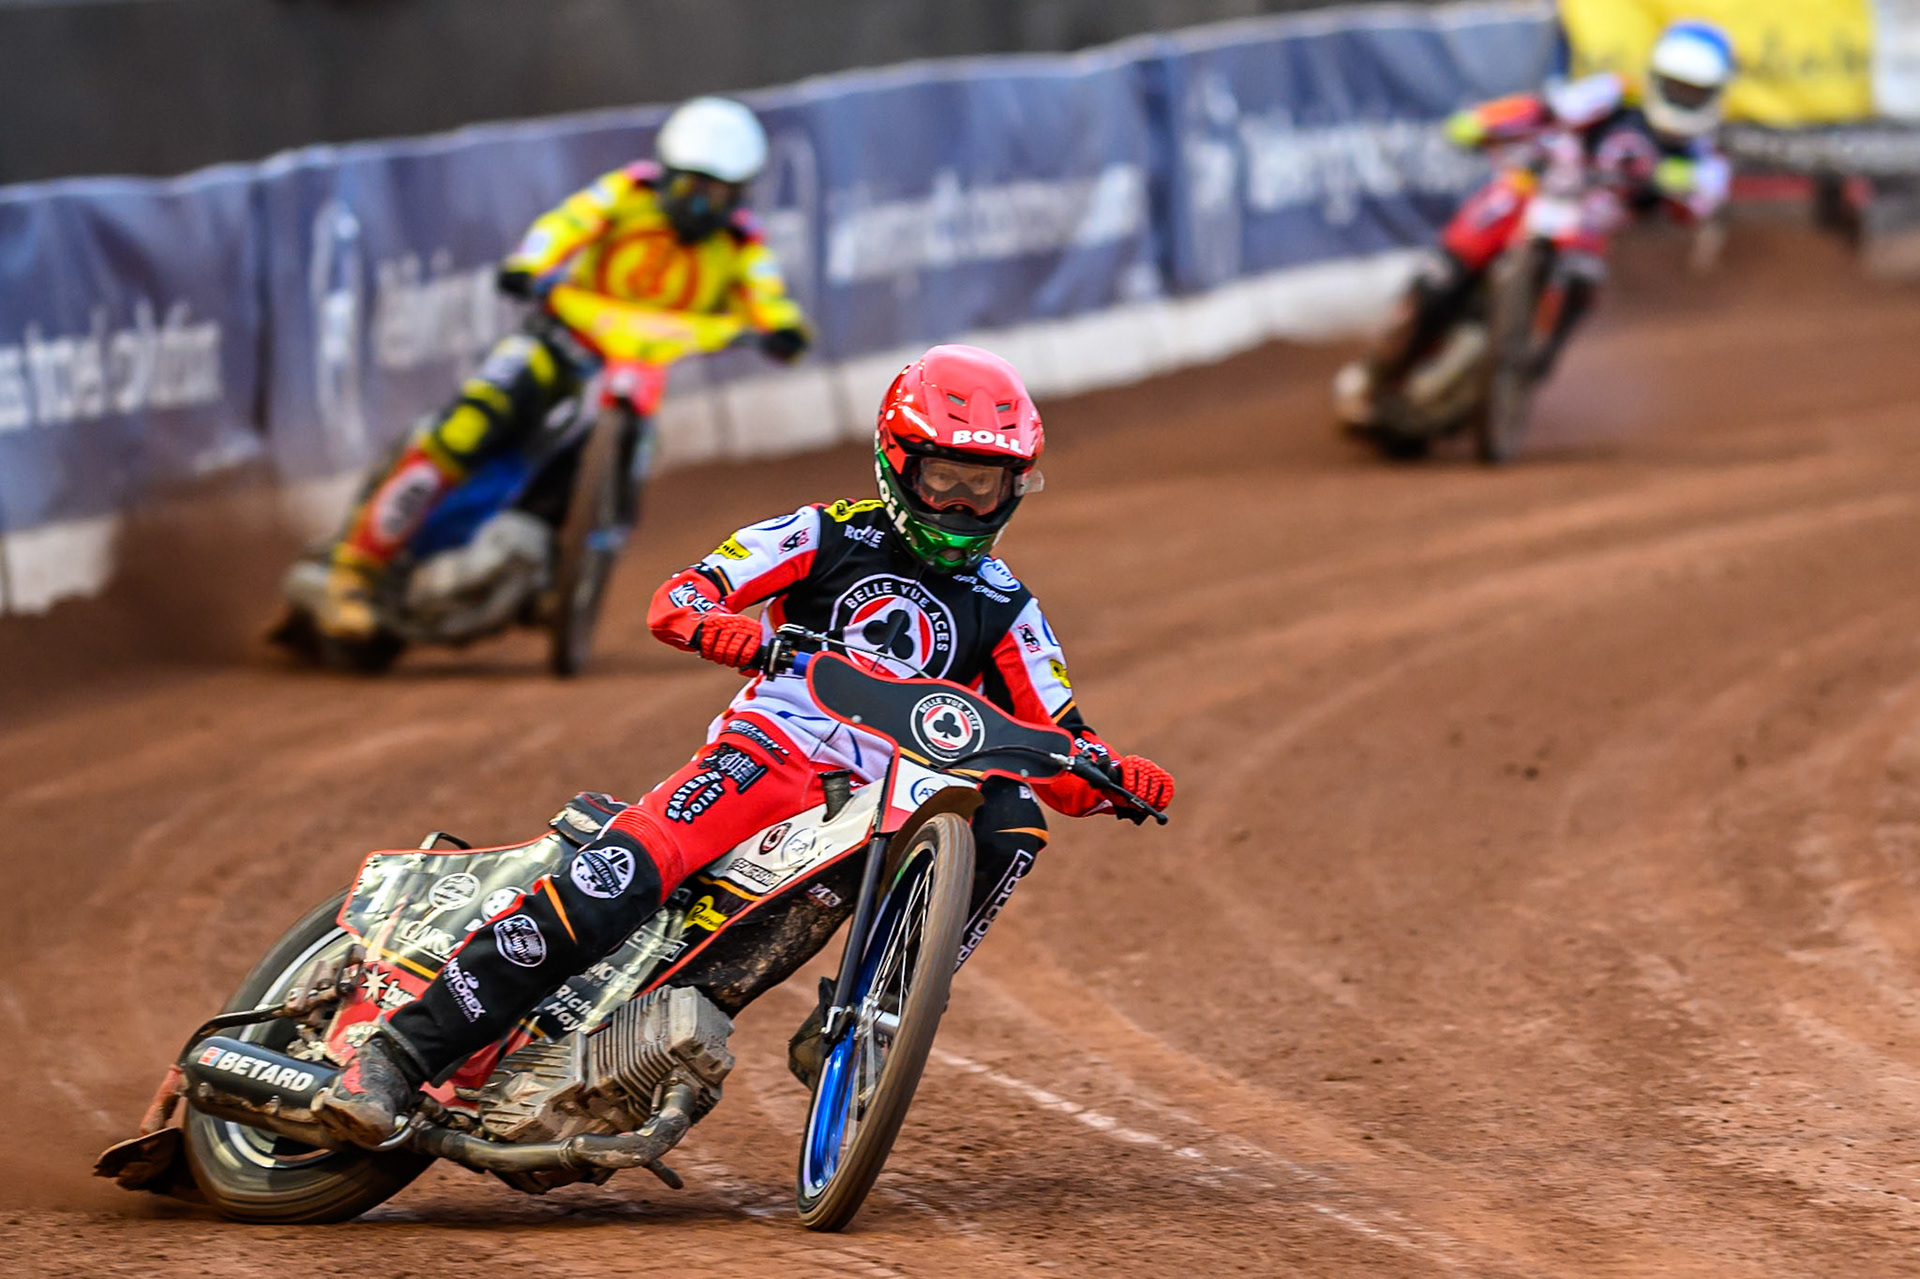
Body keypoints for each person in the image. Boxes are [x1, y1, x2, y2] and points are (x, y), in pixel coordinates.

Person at [315, 343, 1177, 1145]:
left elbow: (1060, 747)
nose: (959, 503)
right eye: (942, 476)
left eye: (983, 485)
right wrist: (727, 633)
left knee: (1014, 814)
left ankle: (874, 1008)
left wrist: (1114, 773)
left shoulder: (1008, 606)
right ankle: (395, 1056)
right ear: (896, 462)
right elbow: (679, 597)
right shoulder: (823, 531)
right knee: (611, 884)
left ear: (1013, 489)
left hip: (879, 805)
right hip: (766, 759)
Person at [318, 96, 812, 640]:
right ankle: (354, 573)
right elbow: (566, 224)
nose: (704, 204)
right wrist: (531, 264)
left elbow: (768, 293)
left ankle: (568, 570)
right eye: (695, 186)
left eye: (720, 192)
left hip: (636, 373)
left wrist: (783, 328)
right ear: (668, 174)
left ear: (741, 193)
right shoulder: (626, 193)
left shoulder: (741, 243)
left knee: (637, 456)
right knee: (471, 421)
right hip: (561, 341)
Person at [1335, 19, 1735, 425]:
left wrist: (1680, 186)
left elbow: (1702, 202)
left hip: (1586, 226)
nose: (1683, 99)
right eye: (1677, 86)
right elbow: (1546, 108)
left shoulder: (1705, 154)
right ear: (1656, 78)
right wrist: (1484, 121)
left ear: (1715, 94)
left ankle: (1532, 365)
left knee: (1584, 282)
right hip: (1533, 190)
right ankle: (1378, 368)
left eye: (1695, 92)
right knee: (1444, 274)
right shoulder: (1616, 94)